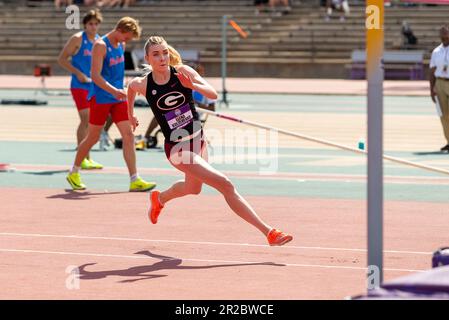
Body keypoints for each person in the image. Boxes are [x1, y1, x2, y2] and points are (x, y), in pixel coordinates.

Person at [127, 36, 293, 246]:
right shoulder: (143, 83)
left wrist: (193, 85)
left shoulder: (183, 72)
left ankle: (159, 199)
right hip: (178, 149)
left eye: (165, 52)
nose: (162, 58)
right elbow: (130, 89)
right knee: (225, 184)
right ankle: (269, 232)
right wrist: (130, 115)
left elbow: (212, 94)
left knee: (193, 189)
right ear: (147, 58)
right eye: (156, 54)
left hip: (198, 140)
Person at [66, 17, 156, 192]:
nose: (127, 41)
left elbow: (117, 75)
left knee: (128, 135)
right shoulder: (100, 46)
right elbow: (95, 75)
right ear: (120, 30)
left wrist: (124, 94)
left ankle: (134, 179)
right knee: (92, 137)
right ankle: (74, 172)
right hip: (101, 97)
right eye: (127, 37)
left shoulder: (121, 46)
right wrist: (113, 91)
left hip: (118, 98)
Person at [58, 9, 104, 170]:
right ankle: (82, 157)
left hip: (94, 85)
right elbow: (61, 59)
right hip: (79, 85)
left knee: (92, 122)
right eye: (90, 24)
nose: (93, 27)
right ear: (85, 24)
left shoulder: (99, 41)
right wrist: (78, 73)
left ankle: (87, 158)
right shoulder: (78, 39)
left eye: (96, 24)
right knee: (86, 120)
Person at [430, 25, 449, 152]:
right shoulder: (436, 51)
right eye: (441, 32)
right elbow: (432, 70)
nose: (443, 34)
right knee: (443, 115)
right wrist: (431, 88)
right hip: (440, 83)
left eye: (445, 32)